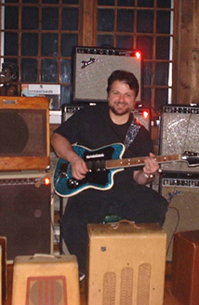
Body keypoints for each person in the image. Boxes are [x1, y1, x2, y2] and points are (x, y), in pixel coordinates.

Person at [51, 70, 168, 277]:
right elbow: (57, 138)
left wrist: (149, 173)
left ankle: (126, 262)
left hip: (125, 190)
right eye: (116, 93)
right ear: (108, 94)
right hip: (90, 191)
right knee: (71, 223)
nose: (121, 100)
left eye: (127, 95)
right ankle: (89, 270)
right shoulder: (89, 116)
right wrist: (74, 159)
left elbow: (138, 178)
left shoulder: (139, 133)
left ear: (134, 100)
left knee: (157, 206)